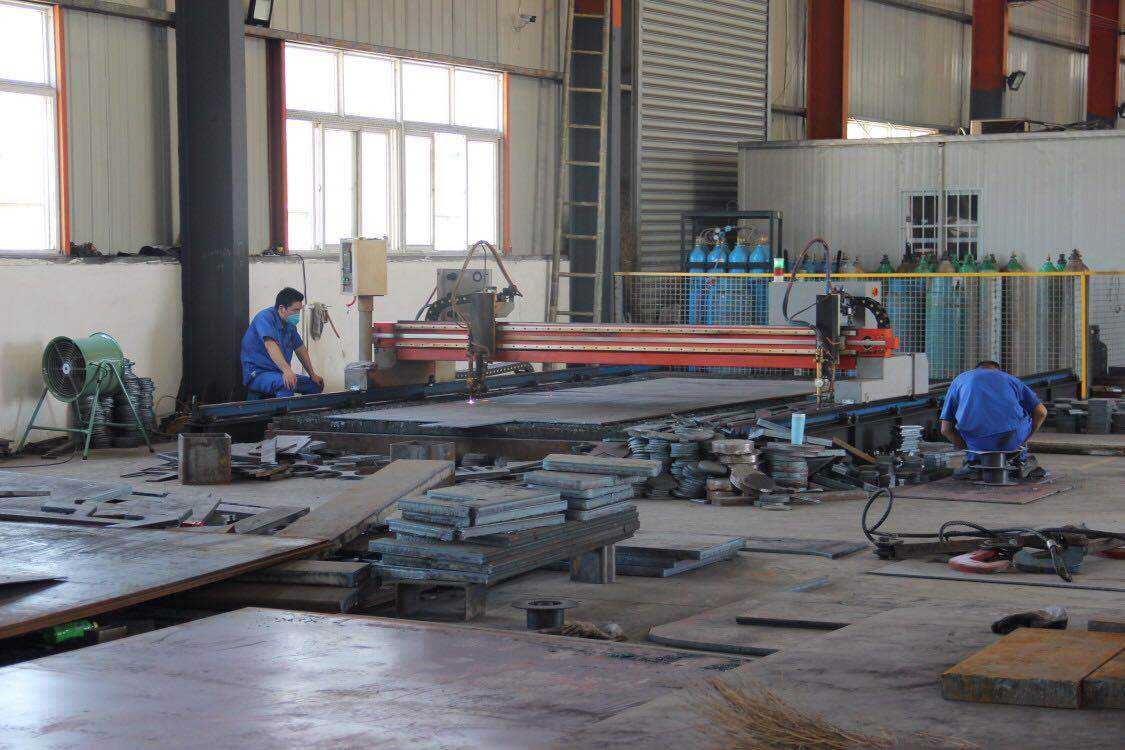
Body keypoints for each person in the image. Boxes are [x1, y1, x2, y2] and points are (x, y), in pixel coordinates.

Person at [939, 360, 1047, 473]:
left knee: (962, 425)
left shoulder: (960, 380)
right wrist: (1024, 439)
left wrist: (969, 449)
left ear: (976, 369)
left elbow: (945, 430)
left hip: (976, 444)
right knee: (1025, 414)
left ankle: (973, 462)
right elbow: (1042, 412)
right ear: (998, 370)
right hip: (1012, 440)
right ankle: (1020, 462)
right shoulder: (1011, 379)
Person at [241, 288, 326, 399]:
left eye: (299, 310)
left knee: (315, 384)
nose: (297, 314)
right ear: (282, 308)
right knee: (287, 383)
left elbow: (300, 348)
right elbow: (270, 345)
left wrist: (312, 374)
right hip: (258, 374)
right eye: (295, 310)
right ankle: (285, 411)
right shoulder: (264, 318)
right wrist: (286, 370)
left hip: (278, 373)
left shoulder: (289, 324)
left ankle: (306, 410)